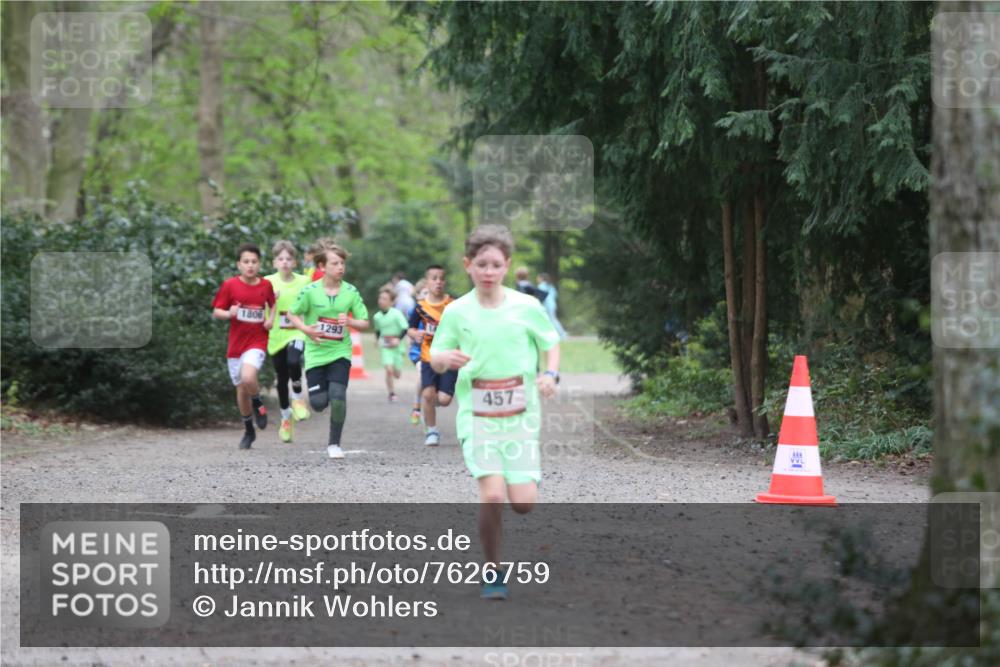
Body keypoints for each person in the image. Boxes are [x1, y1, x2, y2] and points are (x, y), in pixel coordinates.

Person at [430, 225, 560, 600]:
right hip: (477, 418)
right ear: (468, 265)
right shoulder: (457, 311)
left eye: (496, 265)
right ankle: (492, 569)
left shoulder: (527, 307)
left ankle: (524, 483)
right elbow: (436, 356)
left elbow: (550, 344)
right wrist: (444, 359)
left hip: (520, 420)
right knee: (492, 496)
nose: (488, 271)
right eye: (481, 264)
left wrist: (550, 374)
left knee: (522, 504)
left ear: (507, 267)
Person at [287, 243, 369, 459]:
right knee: (319, 403)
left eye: (342, 263)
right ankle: (310, 400)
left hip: (340, 352)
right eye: (335, 263)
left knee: (338, 396)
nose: (340, 267)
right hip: (315, 354)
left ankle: (334, 444)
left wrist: (350, 320)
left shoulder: (351, 292)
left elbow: (364, 322)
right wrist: (306, 329)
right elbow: (292, 314)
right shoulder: (310, 292)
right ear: (322, 266)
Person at [212, 243, 277, 450]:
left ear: (259, 264)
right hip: (236, 345)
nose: (250, 266)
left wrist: (271, 319)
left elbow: (273, 304)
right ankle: (249, 429)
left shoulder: (265, 285)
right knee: (241, 389)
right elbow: (217, 311)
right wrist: (229, 313)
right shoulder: (230, 285)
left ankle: (258, 404)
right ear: (239, 264)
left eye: (254, 262)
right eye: (246, 262)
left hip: (257, 341)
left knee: (249, 377)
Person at [264, 240, 313, 443]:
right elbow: (257, 305)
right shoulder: (267, 282)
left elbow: (313, 298)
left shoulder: (303, 281)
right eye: (280, 259)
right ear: (274, 262)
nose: (284, 262)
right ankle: (285, 418)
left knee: (294, 362)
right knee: (281, 379)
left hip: (297, 332)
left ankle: (298, 397)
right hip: (276, 335)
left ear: (294, 262)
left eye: (289, 259)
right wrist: (268, 298)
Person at [407, 265, 456, 446]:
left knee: (444, 400)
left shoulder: (452, 303)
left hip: (449, 357)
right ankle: (432, 431)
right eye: (434, 278)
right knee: (427, 394)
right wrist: (415, 334)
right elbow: (410, 328)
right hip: (428, 356)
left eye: (441, 278)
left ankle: (430, 406)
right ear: (427, 282)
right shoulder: (420, 307)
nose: (438, 282)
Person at [372, 287, 409, 403]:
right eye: (380, 298)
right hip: (386, 347)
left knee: (397, 374)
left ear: (391, 302)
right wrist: (377, 339)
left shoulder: (397, 314)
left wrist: (398, 339)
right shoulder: (376, 317)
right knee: (388, 370)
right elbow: (378, 330)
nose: (381, 301)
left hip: (398, 347)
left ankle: (397, 372)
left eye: (384, 299)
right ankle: (391, 393)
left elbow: (405, 328)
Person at [407, 278, 429, 425]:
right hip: (418, 352)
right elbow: (409, 329)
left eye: (430, 292)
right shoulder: (414, 310)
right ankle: (416, 407)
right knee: (422, 375)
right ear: (418, 296)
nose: (428, 295)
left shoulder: (439, 311)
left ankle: (428, 416)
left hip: (435, 353)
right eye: (424, 293)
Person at [536, 272, 567, 339]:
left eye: (538, 278)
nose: (537, 279)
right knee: (551, 319)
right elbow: (555, 295)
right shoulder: (550, 286)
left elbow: (541, 297)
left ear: (541, 278)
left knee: (552, 319)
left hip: (547, 305)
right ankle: (556, 334)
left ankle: (562, 334)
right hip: (552, 304)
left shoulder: (541, 286)